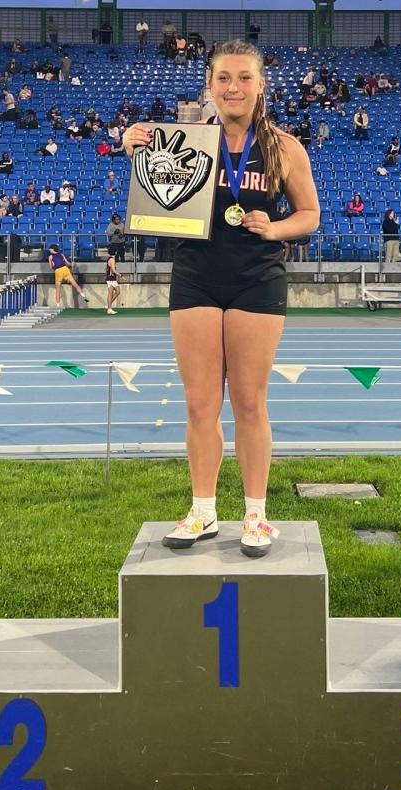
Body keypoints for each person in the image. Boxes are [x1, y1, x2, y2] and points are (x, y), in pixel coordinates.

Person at [122, 38, 320, 558]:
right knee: (199, 404)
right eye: (223, 78)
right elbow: (156, 189)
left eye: (244, 78)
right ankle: (203, 511)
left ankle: (256, 515)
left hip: (256, 278)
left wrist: (275, 229)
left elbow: (310, 216)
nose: (233, 87)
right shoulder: (180, 142)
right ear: (209, 86)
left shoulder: (284, 147)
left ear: (260, 86)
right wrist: (134, 144)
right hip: (196, 277)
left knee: (250, 403)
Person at [105, 250, 120, 314]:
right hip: (111, 278)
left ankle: (108, 305)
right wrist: (121, 275)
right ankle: (109, 308)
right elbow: (113, 270)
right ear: (115, 252)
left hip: (112, 278)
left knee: (118, 291)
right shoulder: (112, 259)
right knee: (110, 293)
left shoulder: (110, 259)